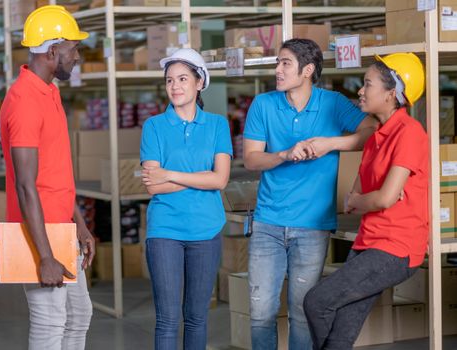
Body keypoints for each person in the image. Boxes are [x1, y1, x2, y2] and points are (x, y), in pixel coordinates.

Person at [243, 38, 378, 350]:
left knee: (303, 313)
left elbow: (371, 132)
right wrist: (284, 154)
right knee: (261, 312)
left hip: (313, 226)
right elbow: (251, 158)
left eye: (285, 63)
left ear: (307, 70)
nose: (277, 69)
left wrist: (330, 143)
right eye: (278, 63)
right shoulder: (263, 105)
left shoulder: (332, 103)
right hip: (268, 224)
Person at [303, 52, 427, 350]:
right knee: (342, 334)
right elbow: (353, 200)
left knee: (317, 301)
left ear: (391, 93)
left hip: (395, 248)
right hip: (368, 242)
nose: (360, 90)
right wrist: (372, 199)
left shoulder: (410, 133)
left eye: (368, 84)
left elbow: (382, 198)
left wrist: (375, 198)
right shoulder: (375, 138)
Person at [0, 5, 95, 350]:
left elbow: (55, 174)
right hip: (38, 235)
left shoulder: (49, 91)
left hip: (60, 227)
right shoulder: (24, 101)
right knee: (49, 323)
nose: (78, 57)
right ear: (53, 51)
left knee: (79, 315)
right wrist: (44, 256)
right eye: (73, 49)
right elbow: (26, 186)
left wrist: (79, 224)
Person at [140, 48, 233, 350]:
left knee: (196, 317)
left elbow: (220, 179)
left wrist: (170, 174)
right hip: (164, 230)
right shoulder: (154, 126)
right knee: (167, 319)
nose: (175, 86)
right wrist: (199, 177)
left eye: (182, 79)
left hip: (206, 230)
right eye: (169, 81)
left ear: (199, 82)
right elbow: (153, 186)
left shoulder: (218, 125)